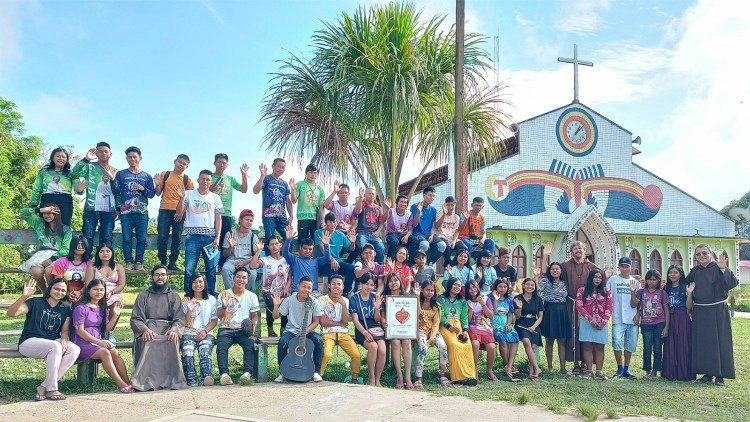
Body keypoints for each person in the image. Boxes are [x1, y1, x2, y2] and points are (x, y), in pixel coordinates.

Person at [7, 278, 80, 401]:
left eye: (63, 290)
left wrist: (63, 339)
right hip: (29, 342)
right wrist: (23, 296)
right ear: (50, 288)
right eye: (56, 288)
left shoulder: (65, 309)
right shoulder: (35, 302)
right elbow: (11, 313)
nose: (59, 292)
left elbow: (65, 330)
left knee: (74, 349)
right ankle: (52, 389)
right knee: (55, 346)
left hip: (52, 341)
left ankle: (43, 387)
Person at [130, 265, 187, 391]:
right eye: (157, 274)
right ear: (152, 277)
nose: (160, 277)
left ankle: (173, 380)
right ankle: (144, 381)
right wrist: (145, 329)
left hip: (167, 329)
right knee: (148, 339)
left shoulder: (174, 296)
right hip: (148, 329)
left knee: (172, 339)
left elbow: (180, 318)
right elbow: (136, 318)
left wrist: (174, 330)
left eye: (162, 274)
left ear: (168, 277)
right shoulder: (143, 296)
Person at [688, 244, 738, 386]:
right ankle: (707, 373)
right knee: (704, 343)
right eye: (698, 254)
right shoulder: (694, 271)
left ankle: (720, 375)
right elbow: (685, 286)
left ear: (711, 254)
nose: (702, 256)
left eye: (705, 253)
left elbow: (731, 284)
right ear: (695, 257)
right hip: (700, 312)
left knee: (720, 342)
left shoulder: (718, 268)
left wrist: (723, 268)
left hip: (718, 312)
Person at [72, 279, 131, 392]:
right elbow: (80, 331)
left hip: (97, 341)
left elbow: (107, 329)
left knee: (114, 352)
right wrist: (99, 342)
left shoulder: (102, 309)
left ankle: (127, 381)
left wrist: (115, 315)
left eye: (101, 290)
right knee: (105, 352)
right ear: (88, 291)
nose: (99, 292)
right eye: (95, 289)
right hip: (82, 342)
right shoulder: (81, 308)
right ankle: (120, 384)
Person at [177, 169, 224, 296]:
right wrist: (181, 198)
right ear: (198, 180)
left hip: (210, 238)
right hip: (193, 237)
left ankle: (210, 295)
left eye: (208, 179)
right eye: (203, 179)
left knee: (211, 269)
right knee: (189, 269)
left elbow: (218, 219)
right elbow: (180, 214)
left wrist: (217, 237)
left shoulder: (216, 197)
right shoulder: (188, 194)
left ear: (211, 182)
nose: (205, 181)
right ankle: (189, 295)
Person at [272, 276, 325, 383]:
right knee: (283, 342)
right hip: (291, 331)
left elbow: (316, 322)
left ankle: (315, 371)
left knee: (318, 340)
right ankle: (283, 371)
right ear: (298, 286)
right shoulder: (289, 300)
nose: (306, 290)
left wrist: (304, 332)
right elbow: (276, 316)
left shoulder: (314, 302)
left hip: (307, 330)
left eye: (309, 288)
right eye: (304, 286)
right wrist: (276, 305)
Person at [560, 241, 601, 375]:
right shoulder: (565, 266)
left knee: (585, 333)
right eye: (575, 248)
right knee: (573, 331)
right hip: (570, 303)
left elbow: (601, 278)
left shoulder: (591, 266)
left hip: (587, 305)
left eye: (580, 248)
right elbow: (551, 271)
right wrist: (545, 256)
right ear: (572, 251)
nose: (577, 250)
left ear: (584, 250)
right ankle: (575, 363)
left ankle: (585, 363)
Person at [113, 146, 155, 271]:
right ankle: (128, 262)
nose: (132, 159)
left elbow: (152, 194)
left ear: (140, 158)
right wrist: (112, 179)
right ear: (126, 159)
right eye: (129, 157)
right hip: (126, 212)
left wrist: (143, 189)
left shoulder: (147, 176)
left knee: (142, 238)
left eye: (134, 157)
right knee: (126, 238)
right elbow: (116, 191)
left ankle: (139, 262)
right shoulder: (121, 174)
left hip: (142, 212)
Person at [71, 142, 117, 256]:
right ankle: (87, 261)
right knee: (88, 235)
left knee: (106, 237)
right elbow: (75, 173)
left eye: (106, 151)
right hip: (91, 208)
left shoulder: (115, 171)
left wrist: (119, 207)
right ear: (96, 152)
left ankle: (103, 263)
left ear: (111, 153)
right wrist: (86, 159)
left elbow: (118, 191)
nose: (103, 153)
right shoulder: (89, 166)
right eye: (100, 151)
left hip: (109, 210)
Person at [216, 268, 260, 386]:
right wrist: (224, 306)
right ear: (233, 278)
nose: (241, 279)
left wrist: (253, 327)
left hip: (243, 330)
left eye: (244, 277)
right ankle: (224, 375)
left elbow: (254, 316)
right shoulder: (224, 294)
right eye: (238, 276)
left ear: (247, 280)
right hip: (226, 328)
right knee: (221, 347)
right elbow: (219, 317)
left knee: (250, 345)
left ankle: (247, 374)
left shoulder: (252, 296)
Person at [154, 154, 194, 270]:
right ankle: (162, 262)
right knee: (162, 237)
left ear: (187, 166)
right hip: (164, 210)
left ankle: (172, 263)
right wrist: (157, 184)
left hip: (180, 212)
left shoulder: (187, 180)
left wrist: (181, 211)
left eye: (184, 164)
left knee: (177, 237)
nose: (181, 165)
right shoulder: (165, 174)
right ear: (175, 161)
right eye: (180, 162)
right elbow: (158, 193)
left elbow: (189, 200)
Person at [318, 275, 361, 383]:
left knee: (356, 355)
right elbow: (322, 321)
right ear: (329, 286)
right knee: (327, 354)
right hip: (327, 333)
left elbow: (345, 322)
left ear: (342, 287)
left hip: (343, 333)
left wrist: (343, 305)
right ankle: (319, 375)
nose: (336, 286)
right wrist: (338, 323)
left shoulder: (345, 301)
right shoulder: (321, 300)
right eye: (333, 284)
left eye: (339, 284)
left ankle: (354, 378)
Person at [19, 205, 72, 292]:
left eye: (49, 213)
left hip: (58, 256)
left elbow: (65, 250)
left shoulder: (66, 229)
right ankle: (46, 294)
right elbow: (23, 212)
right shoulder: (39, 223)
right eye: (44, 213)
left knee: (50, 271)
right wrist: (40, 209)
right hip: (42, 255)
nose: (46, 215)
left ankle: (55, 294)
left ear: (56, 214)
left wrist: (51, 258)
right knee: (36, 271)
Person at [210, 153, 249, 269]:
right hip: (210, 214)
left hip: (226, 214)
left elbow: (244, 189)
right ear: (214, 163)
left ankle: (223, 264)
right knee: (210, 240)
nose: (221, 165)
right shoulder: (209, 177)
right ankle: (210, 264)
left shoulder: (230, 179)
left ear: (227, 165)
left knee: (225, 239)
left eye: (224, 163)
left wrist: (244, 175)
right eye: (219, 162)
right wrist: (210, 189)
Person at [349, 273, 387, 387]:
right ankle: (371, 377)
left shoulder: (375, 297)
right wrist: (365, 333)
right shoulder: (354, 298)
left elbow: (377, 319)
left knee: (382, 350)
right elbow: (355, 320)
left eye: (371, 285)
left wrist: (376, 308)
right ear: (361, 284)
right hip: (362, 328)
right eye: (366, 284)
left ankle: (378, 379)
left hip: (375, 327)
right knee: (373, 347)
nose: (369, 287)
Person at [182, 273, 219, 387]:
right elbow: (184, 323)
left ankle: (206, 377)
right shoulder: (186, 300)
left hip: (206, 332)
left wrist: (204, 331)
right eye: (194, 282)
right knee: (187, 351)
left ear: (204, 283)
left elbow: (214, 321)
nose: (197, 284)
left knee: (205, 350)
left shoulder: (212, 299)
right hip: (188, 331)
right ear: (191, 284)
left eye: (200, 281)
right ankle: (191, 379)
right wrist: (189, 310)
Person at [438, 277, 477, 385]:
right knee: (454, 345)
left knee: (467, 345)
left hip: (458, 327)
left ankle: (469, 375)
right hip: (445, 326)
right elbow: (440, 316)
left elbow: (464, 318)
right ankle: (457, 377)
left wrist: (465, 330)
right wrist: (449, 326)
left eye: (459, 285)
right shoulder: (441, 299)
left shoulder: (462, 301)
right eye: (455, 284)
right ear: (449, 285)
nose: (457, 287)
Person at [83, 243, 126, 341]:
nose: (105, 253)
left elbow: (121, 284)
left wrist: (111, 293)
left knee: (116, 303)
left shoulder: (119, 267)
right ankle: (96, 330)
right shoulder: (92, 267)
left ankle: (109, 332)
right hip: (96, 291)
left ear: (112, 253)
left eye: (108, 251)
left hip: (114, 292)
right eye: (101, 251)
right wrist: (100, 293)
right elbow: (88, 285)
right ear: (98, 253)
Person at [576, 269, 613, 380]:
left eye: (600, 277)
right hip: (587, 322)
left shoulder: (607, 291)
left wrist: (603, 322)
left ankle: (599, 371)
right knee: (587, 346)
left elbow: (609, 307)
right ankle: (588, 371)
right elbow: (579, 306)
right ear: (591, 278)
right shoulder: (582, 290)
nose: (597, 279)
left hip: (602, 323)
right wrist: (590, 319)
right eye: (595, 277)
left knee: (600, 347)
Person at [250, 235, 290, 337]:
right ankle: (270, 329)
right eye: (271, 244)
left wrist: (286, 288)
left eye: (276, 244)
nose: (274, 246)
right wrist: (258, 251)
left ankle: (283, 328)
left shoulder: (286, 261)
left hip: (283, 291)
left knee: (286, 303)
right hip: (268, 291)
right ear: (268, 247)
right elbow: (253, 265)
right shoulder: (265, 259)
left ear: (280, 245)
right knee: (271, 302)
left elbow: (290, 277)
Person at [607, 256, 640, 379]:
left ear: (631, 267)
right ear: (619, 267)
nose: (625, 269)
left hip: (632, 318)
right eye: (622, 266)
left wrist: (638, 315)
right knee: (616, 342)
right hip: (618, 317)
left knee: (630, 344)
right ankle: (619, 367)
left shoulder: (635, 282)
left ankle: (627, 368)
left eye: (627, 266)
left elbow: (638, 302)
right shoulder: (613, 280)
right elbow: (607, 295)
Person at [633, 270, 669, 380]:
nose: (651, 282)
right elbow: (634, 304)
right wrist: (632, 292)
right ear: (646, 280)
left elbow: (666, 311)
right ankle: (647, 370)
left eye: (654, 279)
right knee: (647, 348)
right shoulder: (641, 292)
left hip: (659, 323)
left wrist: (666, 327)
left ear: (658, 280)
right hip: (646, 324)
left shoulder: (662, 293)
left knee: (658, 348)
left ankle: (655, 371)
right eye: (649, 279)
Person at [253, 158, 293, 250]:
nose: (281, 169)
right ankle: (268, 262)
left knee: (289, 238)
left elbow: (288, 200)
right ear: (273, 166)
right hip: (269, 215)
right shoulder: (267, 179)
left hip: (282, 216)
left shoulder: (285, 183)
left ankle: (287, 260)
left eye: (283, 168)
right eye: (279, 167)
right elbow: (255, 191)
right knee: (269, 240)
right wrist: (262, 176)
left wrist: (291, 215)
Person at [413, 280, 448, 388]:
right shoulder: (416, 301)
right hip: (420, 330)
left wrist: (433, 337)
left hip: (433, 331)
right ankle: (418, 377)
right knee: (423, 348)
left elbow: (436, 323)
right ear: (422, 290)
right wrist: (417, 297)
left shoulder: (437, 306)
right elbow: (417, 314)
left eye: (432, 290)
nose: (430, 292)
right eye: (427, 290)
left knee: (443, 346)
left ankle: (441, 374)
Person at [538, 262, 571, 374]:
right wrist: (536, 276)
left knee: (562, 341)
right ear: (549, 270)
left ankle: (562, 367)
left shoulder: (565, 282)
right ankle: (550, 367)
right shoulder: (545, 281)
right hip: (549, 310)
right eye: (553, 269)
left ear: (561, 271)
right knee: (549, 340)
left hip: (562, 311)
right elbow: (538, 291)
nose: (555, 271)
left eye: (557, 269)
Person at [382, 273, 414, 389]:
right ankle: (399, 376)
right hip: (392, 329)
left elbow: (415, 313)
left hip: (405, 329)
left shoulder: (406, 296)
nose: (393, 283)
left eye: (396, 280)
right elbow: (382, 315)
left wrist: (418, 296)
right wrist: (384, 321)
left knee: (406, 342)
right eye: (390, 281)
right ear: (387, 284)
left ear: (400, 282)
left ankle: (408, 376)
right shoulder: (385, 298)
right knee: (395, 342)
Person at [662, 265, 694, 381]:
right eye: (670, 272)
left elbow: (689, 306)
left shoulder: (685, 287)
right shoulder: (666, 288)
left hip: (682, 317)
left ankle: (683, 373)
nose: (672, 275)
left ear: (681, 274)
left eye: (675, 272)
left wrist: (689, 294)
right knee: (670, 344)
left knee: (683, 344)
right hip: (669, 316)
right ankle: (670, 372)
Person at [315, 212, 357, 295]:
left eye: (334, 222)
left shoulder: (340, 235)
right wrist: (332, 260)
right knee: (333, 269)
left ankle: (345, 292)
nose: (332, 224)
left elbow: (352, 248)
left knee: (351, 268)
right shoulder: (318, 233)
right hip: (324, 262)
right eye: (330, 222)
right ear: (326, 222)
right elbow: (322, 249)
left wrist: (353, 242)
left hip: (338, 262)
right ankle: (331, 294)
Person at [30, 147, 75, 226]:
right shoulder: (44, 172)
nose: (61, 158)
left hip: (65, 200)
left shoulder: (70, 174)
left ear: (67, 159)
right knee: (46, 225)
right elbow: (37, 189)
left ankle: (65, 238)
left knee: (64, 225)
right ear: (52, 158)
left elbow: (78, 188)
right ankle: (45, 238)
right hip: (47, 198)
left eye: (63, 157)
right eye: (58, 156)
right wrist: (34, 205)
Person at [487, 278, 520, 381]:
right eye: (500, 286)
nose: (502, 289)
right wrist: (496, 299)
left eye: (505, 287)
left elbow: (510, 313)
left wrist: (509, 324)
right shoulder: (489, 298)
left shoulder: (509, 299)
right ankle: (507, 364)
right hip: (494, 322)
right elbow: (493, 313)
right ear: (495, 287)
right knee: (502, 341)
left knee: (515, 339)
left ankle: (509, 366)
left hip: (505, 321)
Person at [283, 225, 331, 294]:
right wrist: (288, 240)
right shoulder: (295, 260)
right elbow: (285, 253)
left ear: (313, 249)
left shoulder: (316, 261)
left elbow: (327, 258)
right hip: (297, 292)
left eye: (310, 249)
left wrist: (326, 246)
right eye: (305, 248)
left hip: (313, 292)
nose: (307, 251)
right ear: (300, 248)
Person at [221, 209, 261, 290]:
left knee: (253, 274)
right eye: (247, 220)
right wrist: (231, 246)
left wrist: (245, 261)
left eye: (251, 221)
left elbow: (256, 256)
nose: (249, 222)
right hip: (232, 261)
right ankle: (231, 294)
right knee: (226, 269)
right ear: (240, 220)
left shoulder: (253, 236)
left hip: (247, 261)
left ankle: (243, 294)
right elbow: (225, 255)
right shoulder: (230, 234)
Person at [466, 280, 497, 381]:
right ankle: (474, 370)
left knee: (492, 347)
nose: (472, 290)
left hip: (484, 327)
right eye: (470, 288)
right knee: (475, 344)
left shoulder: (486, 298)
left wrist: (483, 304)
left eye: (474, 287)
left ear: (478, 287)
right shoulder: (466, 301)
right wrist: (470, 310)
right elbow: (467, 321)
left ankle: (489, 370)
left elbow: (491, 316)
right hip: (472, 327)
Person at [514, 278, 543, 380]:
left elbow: (540, 316)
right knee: (526, 342)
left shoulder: (538, 299)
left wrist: (534, 327)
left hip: (534, 323)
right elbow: (517, 317)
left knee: (533, 347)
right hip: (521, 323)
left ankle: (532, 374)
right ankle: (537, 368)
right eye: (528, 284)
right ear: (523, 285)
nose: (530, 287)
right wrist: (520, 307)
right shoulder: (517, 298)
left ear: (535, 287)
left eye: (532, 285)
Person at [48, 235, 91, 303]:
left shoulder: (90, 264)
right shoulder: (61, 262)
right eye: (77, 244)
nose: (80, 247)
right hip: (63, 294)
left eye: (83, 244)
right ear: (72, 245)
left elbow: (90, 284)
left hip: (83, 295)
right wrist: (68, 295)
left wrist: (80, 293)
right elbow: (58, 282)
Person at [409, 186, 445, 265]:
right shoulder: (415, 206)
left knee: (442, 245)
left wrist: (432, 235)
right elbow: (414, 224)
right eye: (430, 195)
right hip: (418, 234)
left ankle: (429, 263)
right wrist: (419, 211)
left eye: (433, 196)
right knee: (425, 244)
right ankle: (417, 264)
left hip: (429, 234)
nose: (432, 197)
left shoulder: (433, 210)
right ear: (424, 195)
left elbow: (433, 226)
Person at [291, 163, 325, 242]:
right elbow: (293, 201)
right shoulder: (300, 184)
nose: (312, 174)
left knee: (316, 241)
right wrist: (292, 190)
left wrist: (322, 220)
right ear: (306, 173)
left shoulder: (320, 189)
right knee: (302, 242)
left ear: (317, 174)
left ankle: (315, 255)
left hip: (315, 219)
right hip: (303, 218)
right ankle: (301, 255)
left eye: (315, 172)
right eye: (310, 172)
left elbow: (321, 207)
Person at [352, 187, 386, 264]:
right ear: (365, 194)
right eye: (369, 193)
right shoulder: (362, 204)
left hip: (374, 234)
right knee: (365, 248)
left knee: (381, 247)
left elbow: (382, 222)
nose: (371, 195)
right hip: (362, 233)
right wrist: (360, 198)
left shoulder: (378, 208)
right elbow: (357, 211)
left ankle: (380, 266)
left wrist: (378, 232)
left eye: (373, 194)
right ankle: (365, 265)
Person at [457, 197, 495, 261]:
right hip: (465, 238)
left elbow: (484, 232)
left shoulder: (482, 218)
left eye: (480, 206)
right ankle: (468, 264)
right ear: (472, 205)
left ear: (482, 207)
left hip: (477, 239)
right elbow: (459, 228)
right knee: (468, 244)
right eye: (476, 205)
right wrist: (466, 219)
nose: (478, 207)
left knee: (490, 242)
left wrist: (482, 239)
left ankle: (486, 261)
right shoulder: (465, 214)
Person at [433, 196, 467, 266]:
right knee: (447, 246)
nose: (450, 207)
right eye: (448, 205)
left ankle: (456, 264)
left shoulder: (456, 217)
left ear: (455, 206)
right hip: (442, 236)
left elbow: (457, 231)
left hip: (452, 238)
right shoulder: (440, 214)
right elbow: (436, 226)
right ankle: (447, 264)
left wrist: (454, 241)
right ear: (445, 205)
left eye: (452, 205)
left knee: (464, 248)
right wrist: (444, 215)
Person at [384, 194, 414, 260]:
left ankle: (410, 262)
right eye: (401, 202)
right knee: (394, 241)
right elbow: (384, 219)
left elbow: (410, 229)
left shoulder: (409, 214)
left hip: (403, 235)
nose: (403, 204)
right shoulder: (391, 211)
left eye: (405, 202)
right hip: (391, 235)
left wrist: (406, 236)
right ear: (397, 203)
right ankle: (389, 262)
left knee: (415, 240)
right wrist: (387, 209)